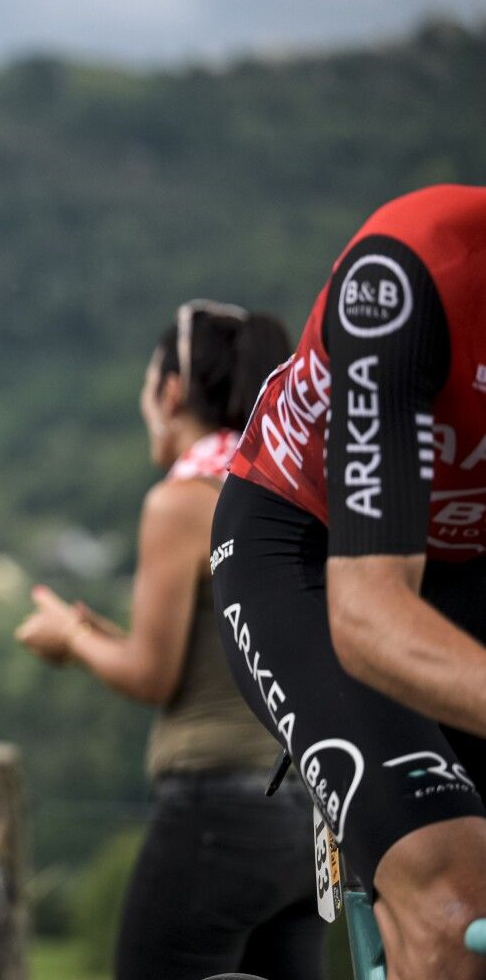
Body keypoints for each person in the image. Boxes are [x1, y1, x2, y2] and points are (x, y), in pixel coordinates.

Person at [212, 185, 486, 979]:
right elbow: (369, 618)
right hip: (313, 556)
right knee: (457, 907)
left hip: (469, 562)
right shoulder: (405, 273)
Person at [15, 302, 320, 979]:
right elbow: (211, 656)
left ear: (172, 392)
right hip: (302, 819)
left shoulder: (181, 502)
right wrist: (96, 633)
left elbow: (152, 677)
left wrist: (71, 639)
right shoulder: (285, 492)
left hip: (215, 812)